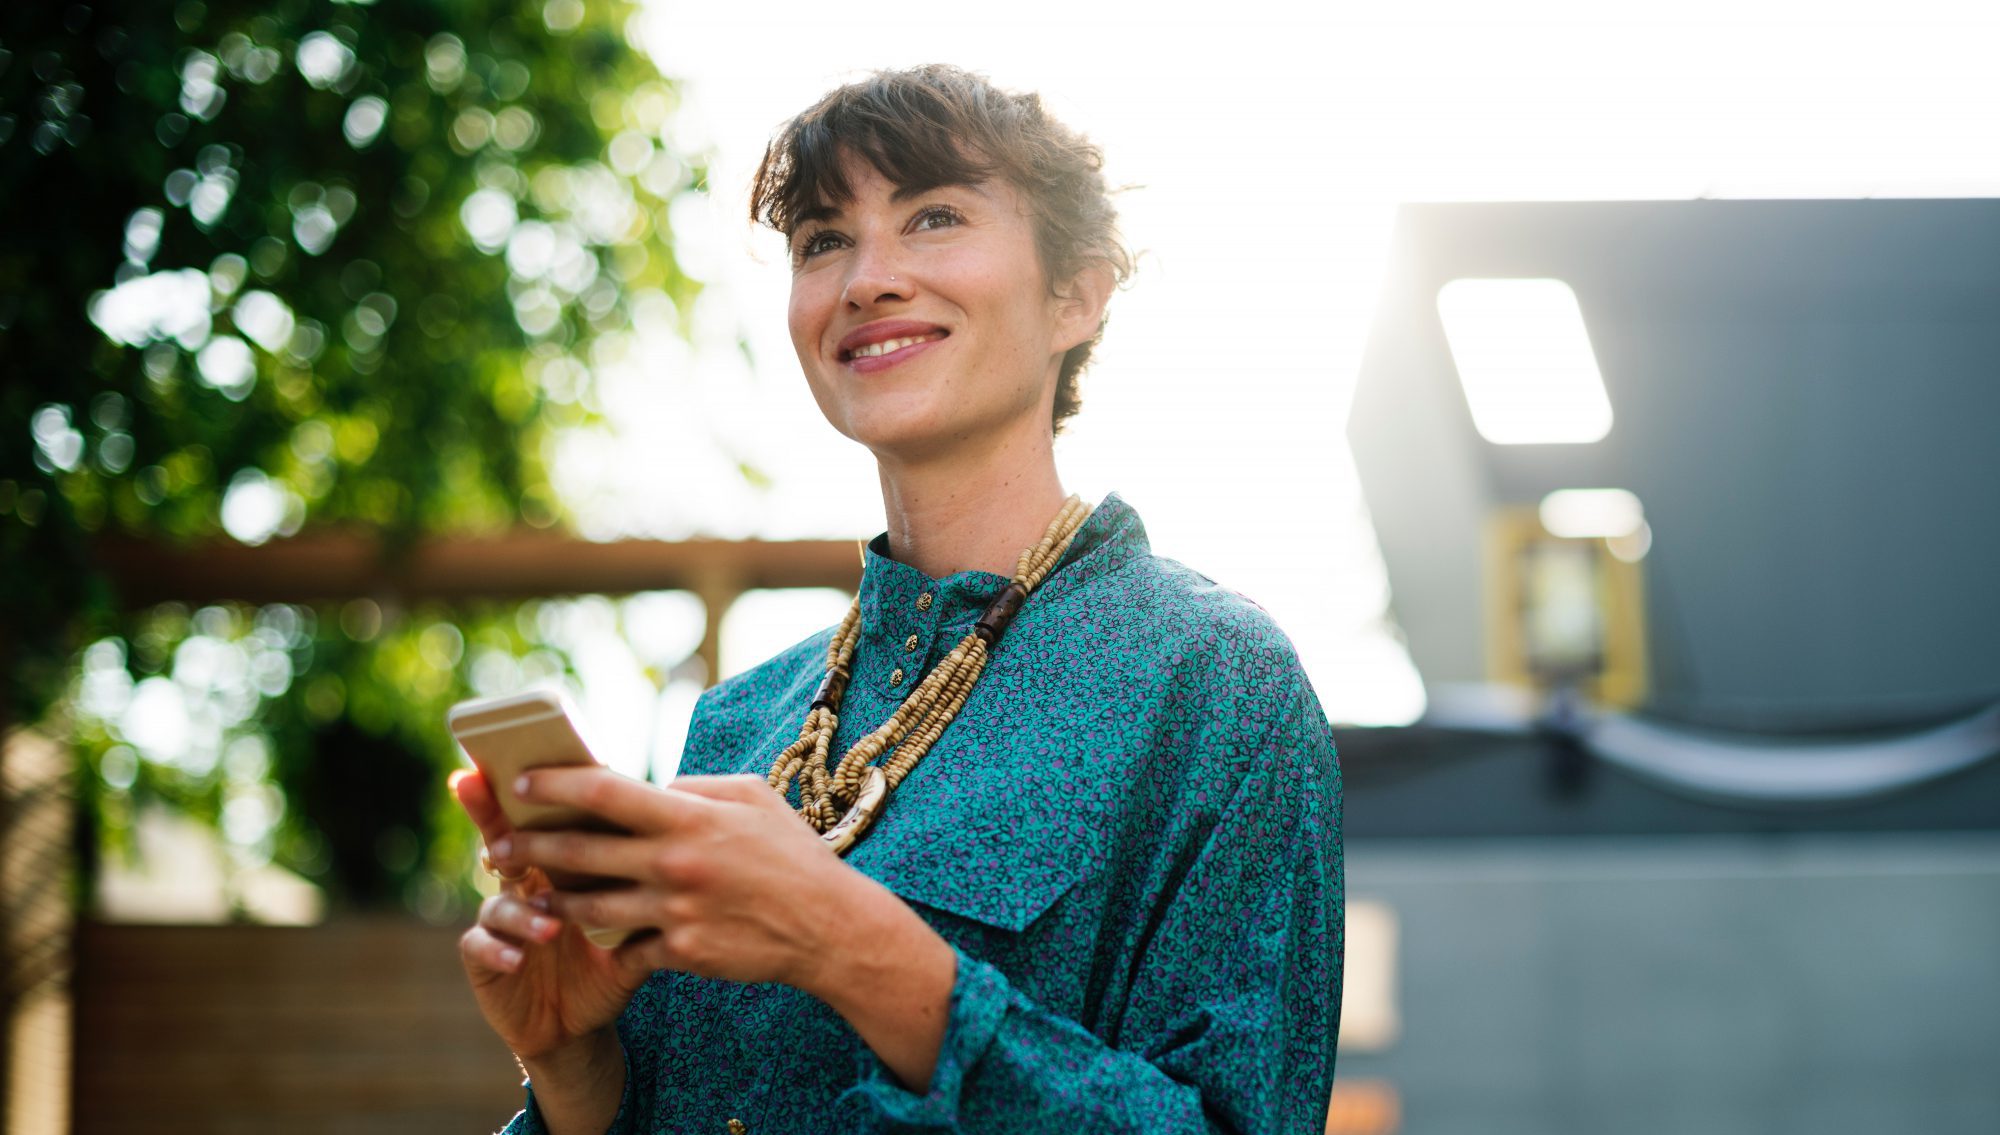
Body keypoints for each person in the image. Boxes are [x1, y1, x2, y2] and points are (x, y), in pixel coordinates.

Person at [452, 64, 1344, 1134]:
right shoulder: (736, 725)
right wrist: (572, 1067)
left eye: (932, 217)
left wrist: (849, 946)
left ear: (1076, 293)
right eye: (823, 240)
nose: (867, 278)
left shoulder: (1212, 682)